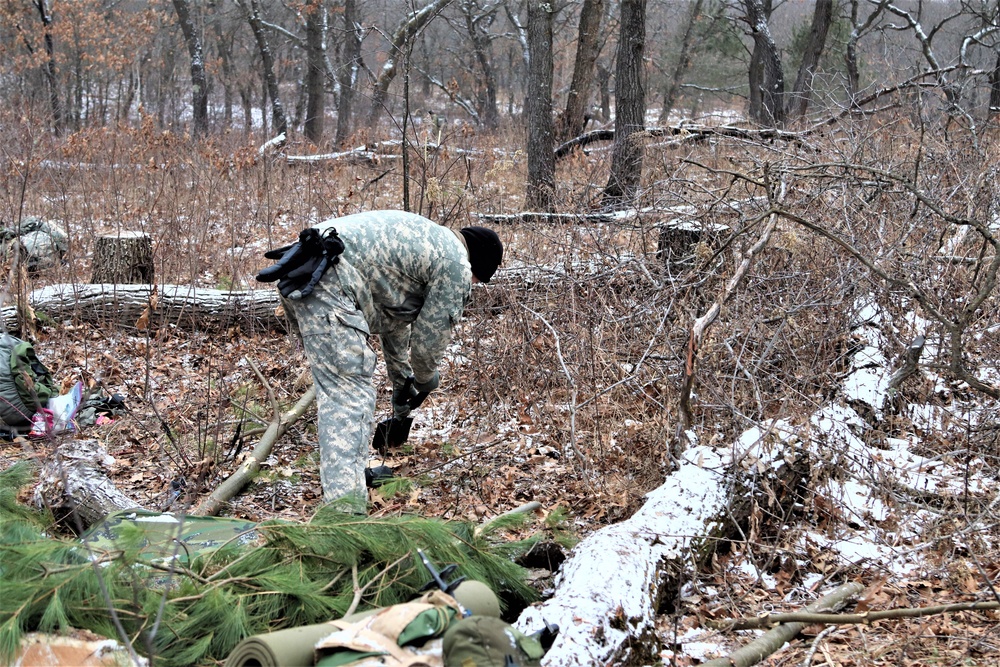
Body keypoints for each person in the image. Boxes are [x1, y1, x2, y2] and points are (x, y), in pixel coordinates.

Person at [257, 210, 503, 506]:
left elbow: (395, 323)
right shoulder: (456, 265)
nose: (472, 285)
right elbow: (428, 343)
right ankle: (345, 512)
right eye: (477, 280)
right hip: (328, 280)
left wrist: (402, 384)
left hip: (302, 269)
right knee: (348, 396)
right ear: (478, 264)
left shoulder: (427, 243)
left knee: (341, 391)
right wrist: (427, 381)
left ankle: (347, 479)